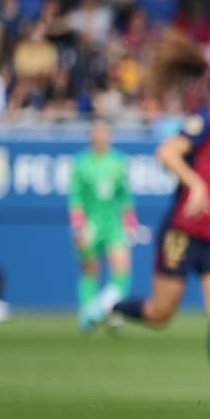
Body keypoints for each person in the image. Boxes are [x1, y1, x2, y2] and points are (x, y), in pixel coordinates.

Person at [95, 30, 210, 419]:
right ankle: (112, 304)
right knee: (160, 313)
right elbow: (167, 152)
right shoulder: (206, 119)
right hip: (183, 232)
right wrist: (195, 183)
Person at [71, 118, 139, 330]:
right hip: (91, 225)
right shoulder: (82, 163)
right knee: (90, 270)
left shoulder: (118, 161)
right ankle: (87, 315)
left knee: (122, 268)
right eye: (97, 132)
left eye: (104, 132)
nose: (101, 137)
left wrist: (130, 222)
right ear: (91, 136)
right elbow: (75, 197)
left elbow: (125, 195)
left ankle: (112, 310)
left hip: (113, 224)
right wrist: (78, 226)